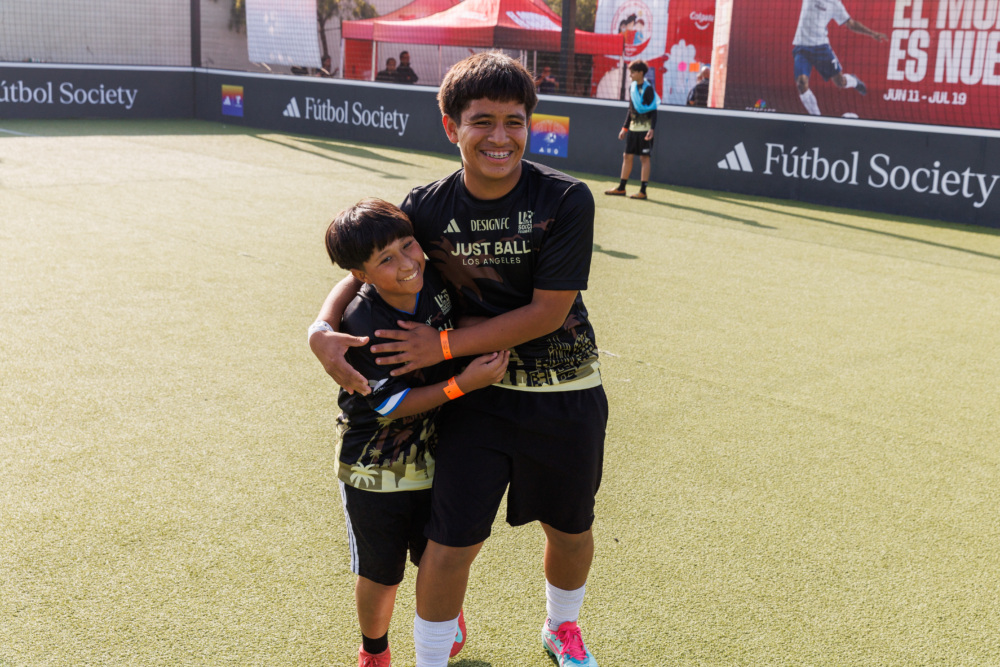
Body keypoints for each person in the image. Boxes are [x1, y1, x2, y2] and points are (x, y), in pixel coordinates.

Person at [309, 52, 608, 667]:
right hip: (475, 399)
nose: (500, 137)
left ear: (531, 124)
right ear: (451, 127)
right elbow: (368, 258)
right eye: (482, 122)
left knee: (571, 530)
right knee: (449, 544)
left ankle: (562, 627)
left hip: (566, 393)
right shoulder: (426, 204)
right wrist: (320, 326)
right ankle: (429, 657)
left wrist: (440, 347)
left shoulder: (567, 199)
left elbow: (548, 313)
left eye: (514, 121)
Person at [315, 197, 509, 667]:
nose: (407, 263)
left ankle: (442, 617)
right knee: (382, 575)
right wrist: (463, 383)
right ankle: (374, 652)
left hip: (440, 453)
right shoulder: (361, 325)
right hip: (374, 466)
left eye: (408, 246)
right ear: (361, 274)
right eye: (386, 259)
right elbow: (390, 405)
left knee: (439, 557)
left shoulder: (434, 278)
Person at [792, 0, 886, 115]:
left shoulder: (835, 4)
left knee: (840, 82)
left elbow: (851, 24)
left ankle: (854, 81)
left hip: (821, 48)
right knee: (801, 83)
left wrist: (872, 33)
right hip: (802, 47)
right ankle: (817, 119)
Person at [605, 59, 659, 201]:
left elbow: (653, 110)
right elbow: (631, 109)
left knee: (644, 158)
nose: (630, 75)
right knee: (627, 156)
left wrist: (652, 129)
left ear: (641, 73)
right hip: (633, 129)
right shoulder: (632, 87)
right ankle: (621, 188)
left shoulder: (648, 88)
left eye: (633, 72)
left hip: (645, 130)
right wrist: (625, 128)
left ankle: (643, 191)